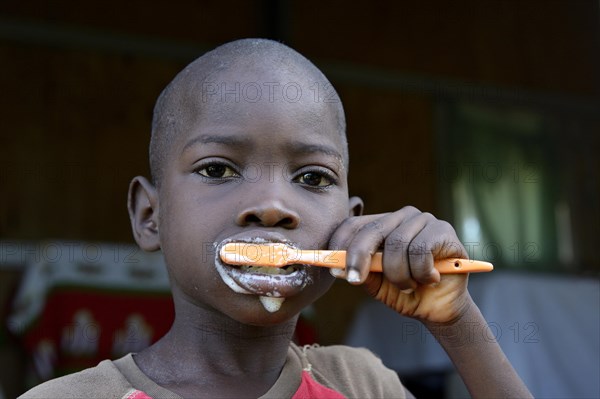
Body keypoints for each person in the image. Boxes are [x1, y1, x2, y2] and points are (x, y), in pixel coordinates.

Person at [20, 38, 532, 399]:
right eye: (217, 169)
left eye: (312, 179)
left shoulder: (362, 385)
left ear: (350, 223)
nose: (271, 205)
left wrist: (458, 324)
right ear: (150, 216)